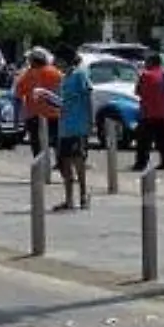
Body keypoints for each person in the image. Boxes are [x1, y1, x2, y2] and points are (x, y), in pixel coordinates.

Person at [56, 47, 93, 211]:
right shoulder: (64, 78)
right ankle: (68, 198)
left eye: (58, 60)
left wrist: (90, 122)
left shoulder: (80, 75)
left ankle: (83, 195)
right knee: (65, 163)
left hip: (78, 125)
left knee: (78, 161)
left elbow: (88, 98)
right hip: (65, 125)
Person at [134, 53, 164, 171]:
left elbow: (138, 91)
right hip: (163, 112)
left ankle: (141, 163)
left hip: (148, 112)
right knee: (163, 140)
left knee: (143, 140)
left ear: (151, 62)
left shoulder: (145, 75)